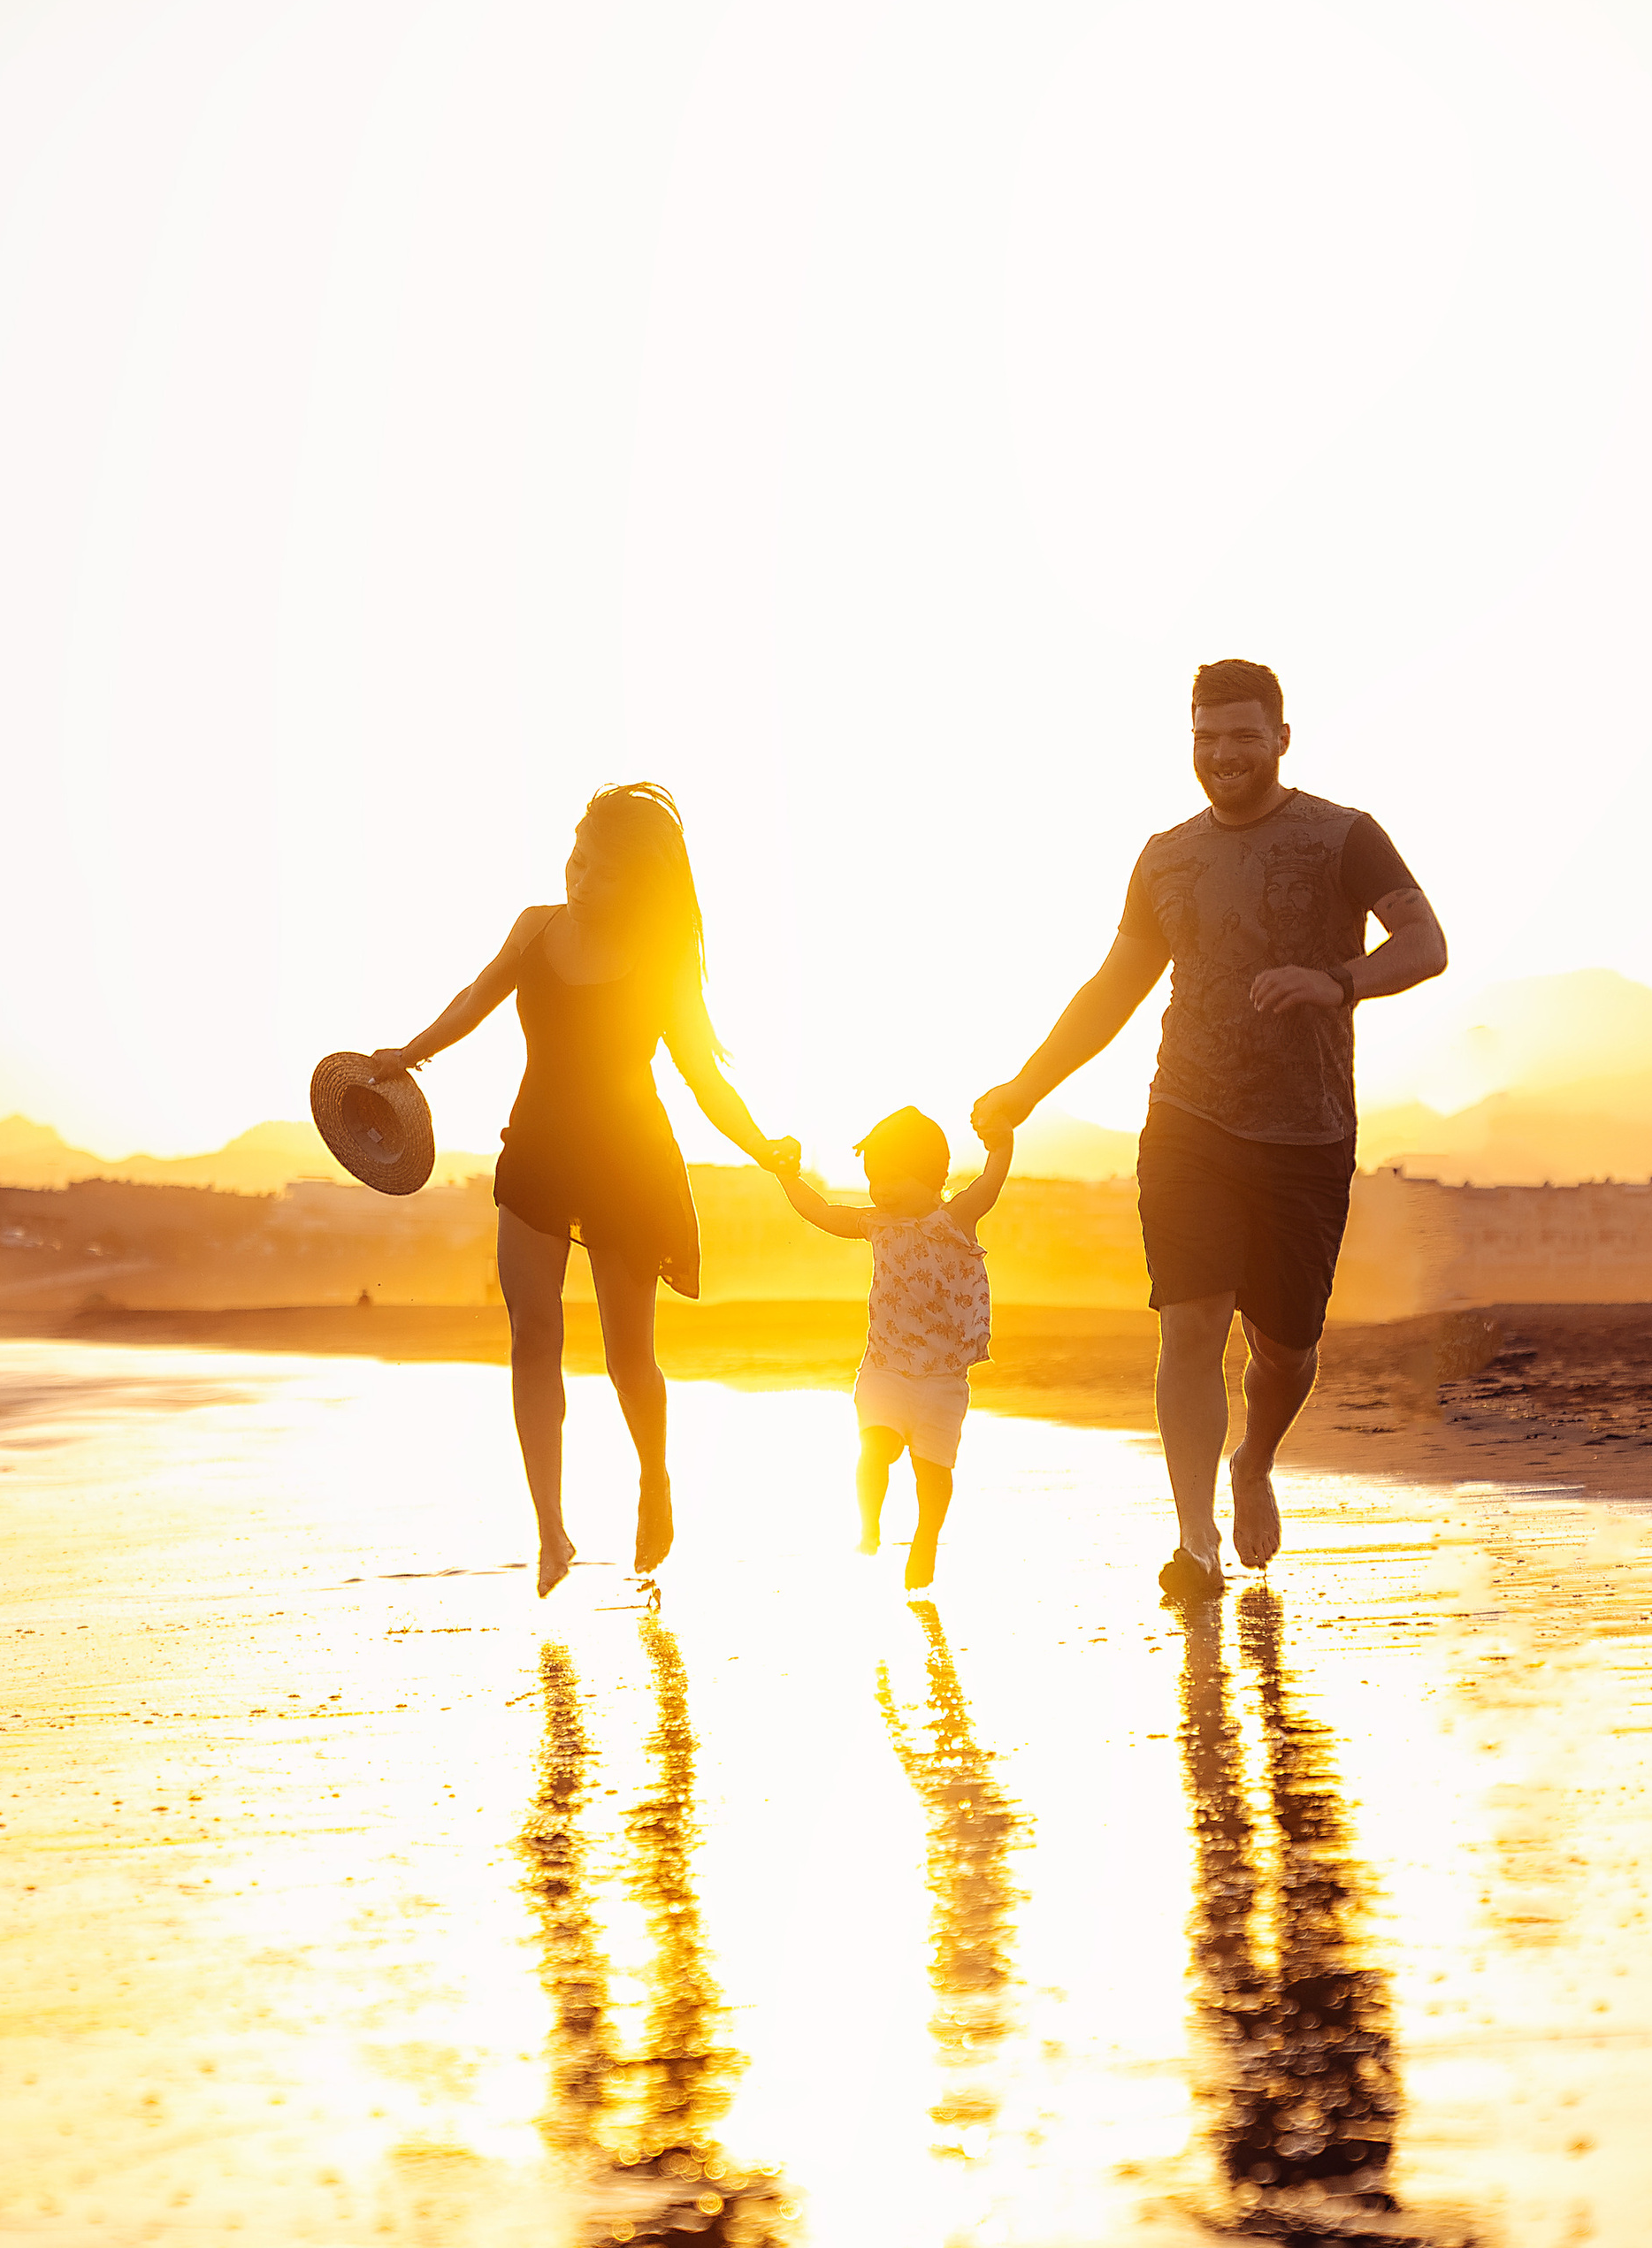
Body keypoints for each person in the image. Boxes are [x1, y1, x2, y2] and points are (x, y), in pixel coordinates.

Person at [972, 658, 1446, 1604]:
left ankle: (1254, 1460)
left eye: (1240, 734)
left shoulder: (1345, 836)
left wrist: (1336, 980)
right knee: (1189, 1322)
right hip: (1186, 1115)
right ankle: (1196, 1546)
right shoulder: (1165, 856)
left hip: (1304, 1130)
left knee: (1286, 1349)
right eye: (1204, 736)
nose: (1221, 753)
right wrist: (1026, 1087)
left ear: (1279, 736)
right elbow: (1114, 987)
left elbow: (1425, 943)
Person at [364, 786, 798, 1594]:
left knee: (631, 1358)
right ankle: (551, 1532)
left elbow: (704, 1080)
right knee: (533, 1333)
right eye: (575, 860)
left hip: (628, 1165)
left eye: (599, 869)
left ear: (636, 882)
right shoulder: (536, 927)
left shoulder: (660, 963)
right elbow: (474, 999)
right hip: (536, 1150)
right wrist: (410, 1051)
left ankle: (655, 1478)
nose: (580, 878)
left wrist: (765, 1148)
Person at [771, 1106, 1013, 1593]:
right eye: (872, 1178)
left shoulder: (957, 1217)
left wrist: (1001, 1139)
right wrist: (786, 1176)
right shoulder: (876, 1224)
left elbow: (992, 1180)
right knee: (875, 1447)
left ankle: (926, 1538)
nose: (880, 1190)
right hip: (885, 1368)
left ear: (930, 1176)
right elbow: (822, 1213)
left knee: (932, 1471)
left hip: (944, 1380)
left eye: (892, 1178)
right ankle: (869, 1526)